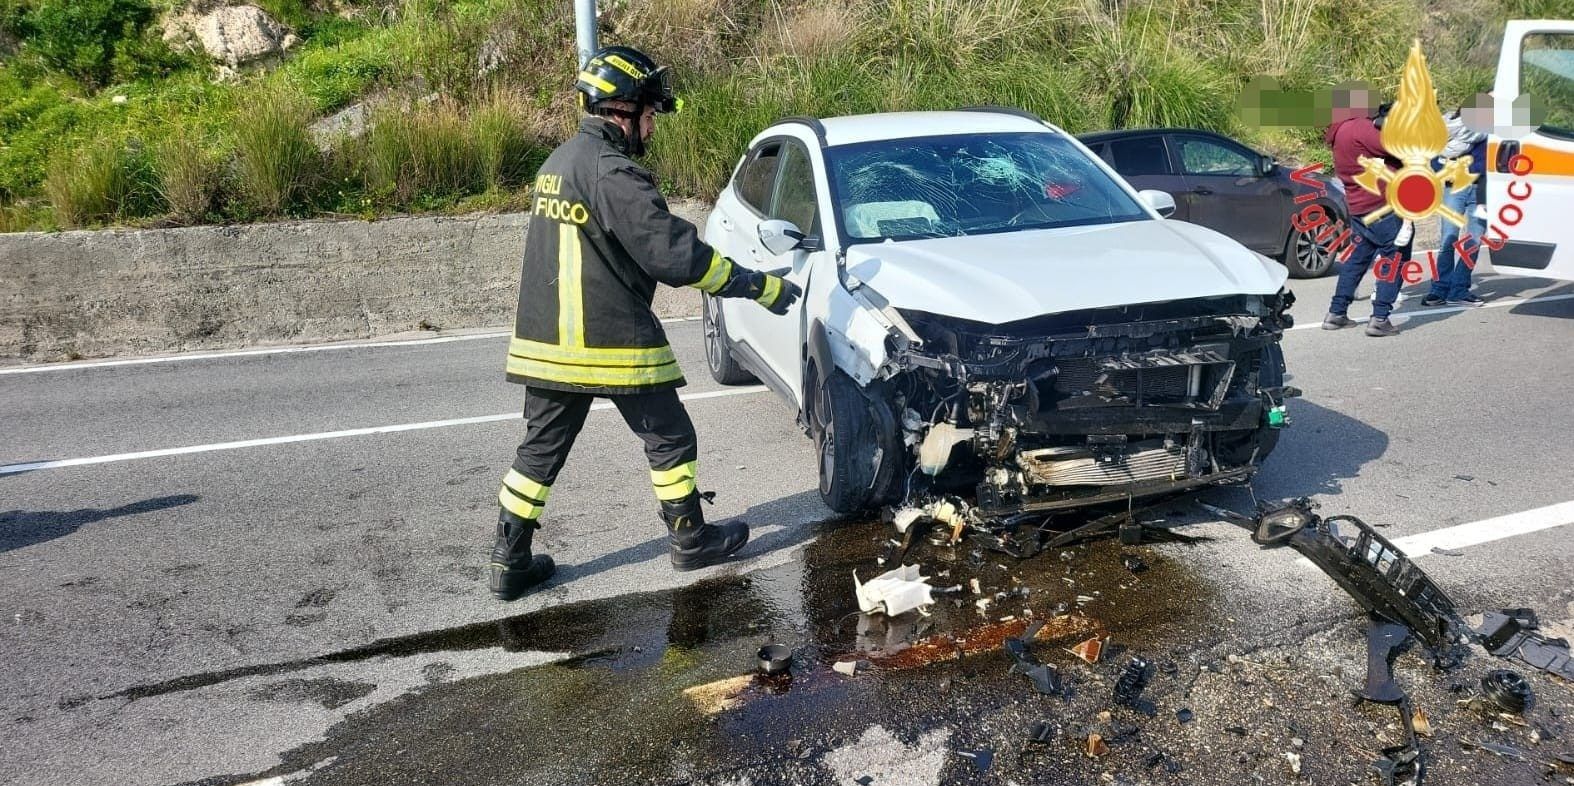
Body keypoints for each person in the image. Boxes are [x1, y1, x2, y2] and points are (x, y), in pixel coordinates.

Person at [488, 45, 802, 601]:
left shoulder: (556, 164)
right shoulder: (614, 173)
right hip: (609, 339)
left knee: (538, 452)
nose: (652, 128)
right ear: (622, 109)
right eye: (650, 115)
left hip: (546, 342)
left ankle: (509, 560)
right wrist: (758, 285)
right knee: (670, 435)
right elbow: (673, 255)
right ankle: (690, 540)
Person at [1323, 89, 1406, 337]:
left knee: (1356, 260)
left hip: (1359, 206)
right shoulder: (1359, 127)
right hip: (1381, 204)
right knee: (1396, 258)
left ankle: (1337, 313)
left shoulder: (1338, 131)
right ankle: (1380, 318)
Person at [1422, 99, 1490, 308]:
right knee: (1447, 239)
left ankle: (1459, 289)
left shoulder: (1493, 132)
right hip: (1455, 187)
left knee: (1474, 240)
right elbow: (1434, 156)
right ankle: (1439, 289)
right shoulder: (1452, 130)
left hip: (1483, 189)